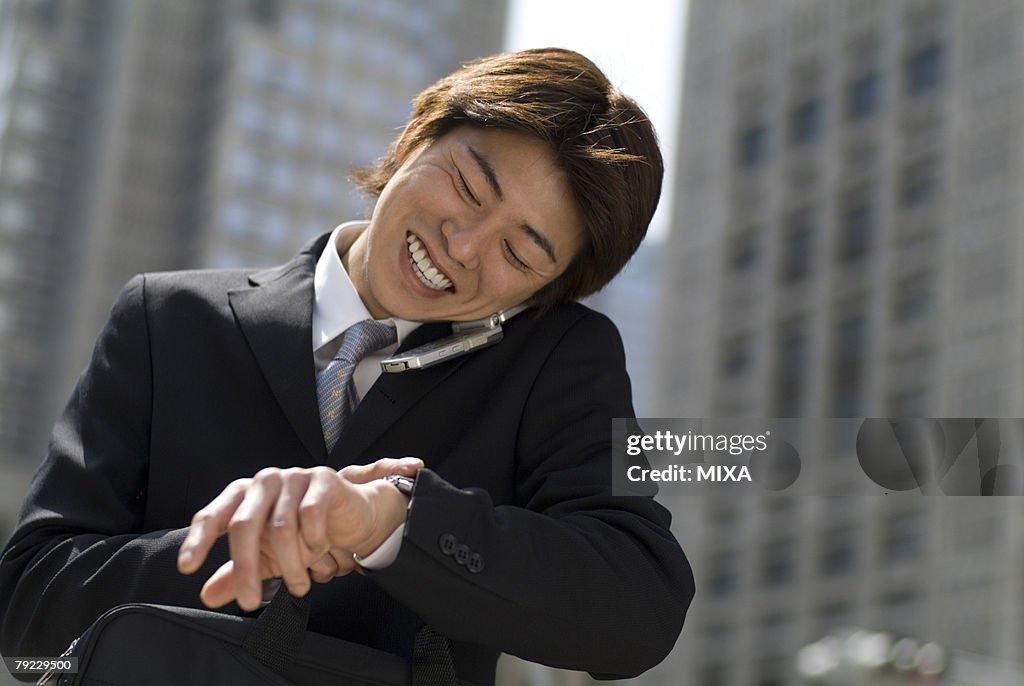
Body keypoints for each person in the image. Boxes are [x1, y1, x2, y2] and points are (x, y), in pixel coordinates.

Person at [0, 48, 694, 683]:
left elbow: (637, 607)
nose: (463, 243)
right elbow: (27, 607)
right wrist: (259, 547)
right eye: (468, 187)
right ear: (416, 136)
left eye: (519, 254)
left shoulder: (560, 359)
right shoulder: (167, 317)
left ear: (547, 290)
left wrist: (388, 521)